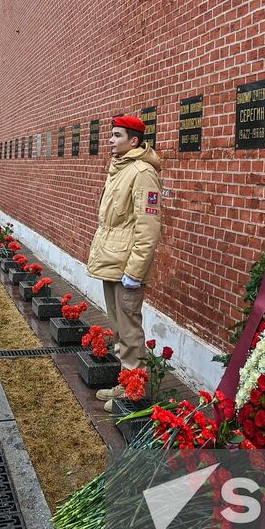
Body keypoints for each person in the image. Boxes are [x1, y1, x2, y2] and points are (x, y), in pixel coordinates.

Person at [84, 115, 163, 411]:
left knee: (130, 330)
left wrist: (135, 270)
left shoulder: (142, 172)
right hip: (111, 259)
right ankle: (125, 380)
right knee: (118, 327)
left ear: (134, 141)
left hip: (127, 265)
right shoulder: (118, 169)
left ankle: (135, 390)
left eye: (117, 135)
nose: (111, 140)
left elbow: (148, 225)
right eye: (111, 135)